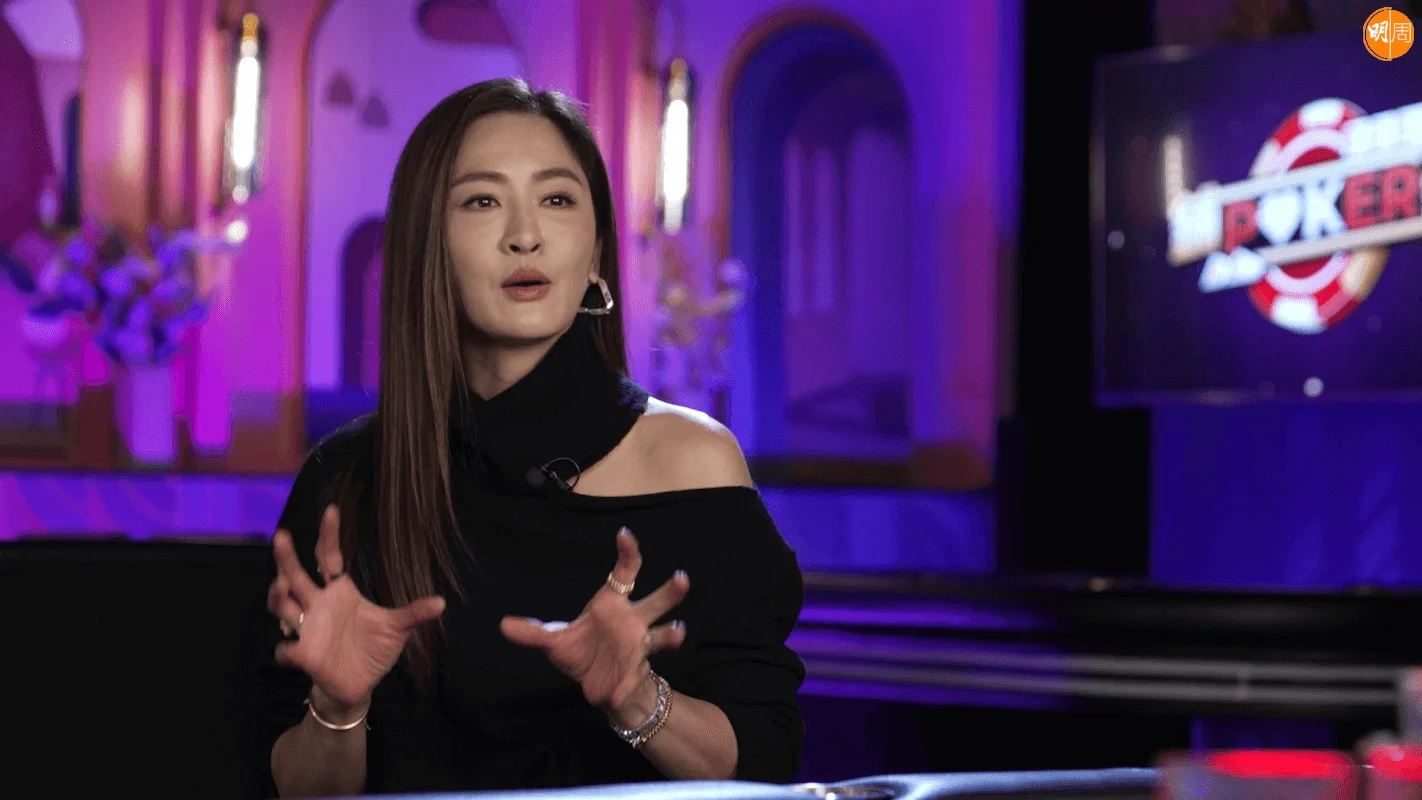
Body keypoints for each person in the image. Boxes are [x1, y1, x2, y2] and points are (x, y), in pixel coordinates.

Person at [258, 78, 806, 798]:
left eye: (557, 199)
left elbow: (764, 764)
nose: (525, 234)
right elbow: (289, 789)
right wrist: (338, 706)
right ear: (426, 246)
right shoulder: (348, 478)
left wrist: (638, 701)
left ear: (597, 251)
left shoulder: (694, 462)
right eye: (482, 201)